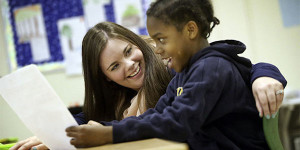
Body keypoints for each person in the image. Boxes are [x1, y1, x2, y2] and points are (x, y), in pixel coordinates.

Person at [11, 20, 286, 150]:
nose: (129, 65)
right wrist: (56, 130)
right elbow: (91, 116)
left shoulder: (171, 66)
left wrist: (265, 75)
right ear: (105, 77)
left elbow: (227, 61)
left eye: (129, 51)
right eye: (115, 66)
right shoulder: (119, 97)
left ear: (139, 43)